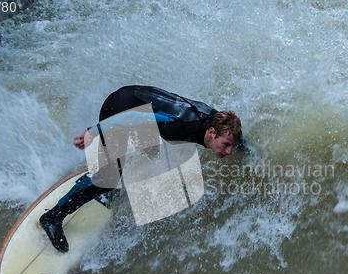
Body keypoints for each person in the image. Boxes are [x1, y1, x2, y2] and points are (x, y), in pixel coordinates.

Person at [40, 85, 243, 252]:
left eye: (231, 146)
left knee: (149, 154)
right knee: (109, 179)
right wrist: (95, 131)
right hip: (120, 110)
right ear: (211, 132)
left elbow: (230, 133)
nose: (228, 152)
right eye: (226, 145)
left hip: (141, 107)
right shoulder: (180, 124)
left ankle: (104, 178)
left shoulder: (217, 121)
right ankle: (52, 217)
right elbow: (132, 119)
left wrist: (245, 149)